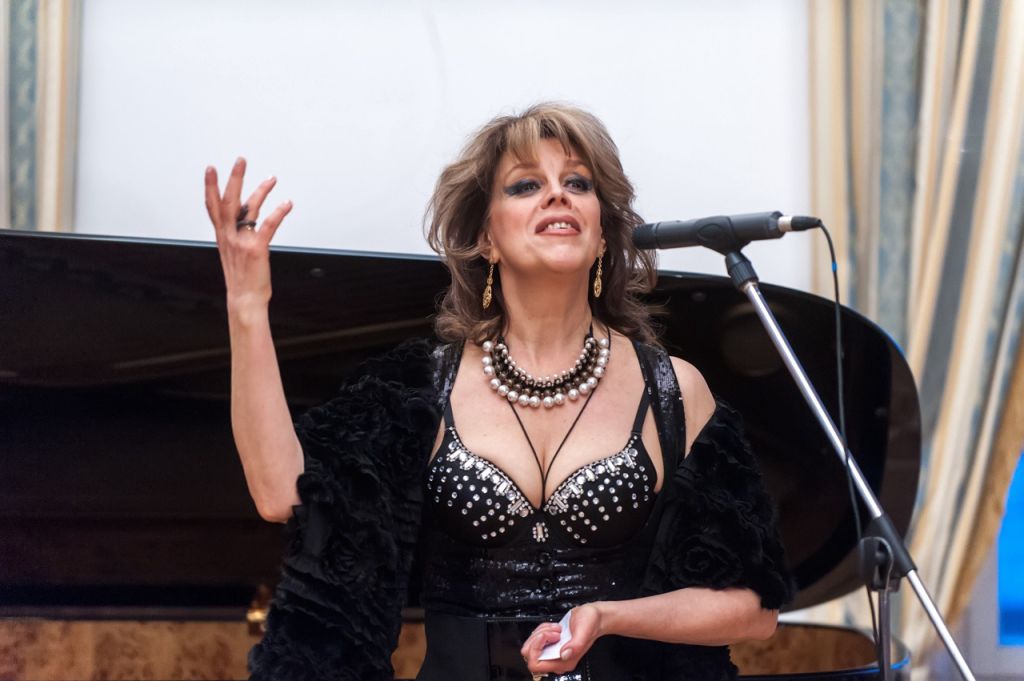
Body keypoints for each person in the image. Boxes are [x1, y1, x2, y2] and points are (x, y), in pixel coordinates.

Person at [204, 103, 792, 681]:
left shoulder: (672, 390)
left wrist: (607, 617)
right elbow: (279, 494)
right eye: (526, 185)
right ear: (486, 238)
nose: (557, 195)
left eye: (578, 183)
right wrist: (247, 305)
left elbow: (754, 608)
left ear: (603, 235)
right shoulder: (419, 388)